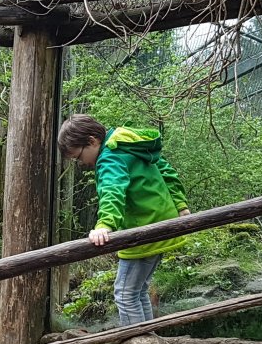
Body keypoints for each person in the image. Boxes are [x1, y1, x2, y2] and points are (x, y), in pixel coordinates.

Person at [57, 115, 191, 326]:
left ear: (92, 141)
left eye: (78, 157)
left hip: (143, 229)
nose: (81, 164)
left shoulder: (110, 156)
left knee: (125, 294)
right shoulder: (129, 144)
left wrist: (104, 225)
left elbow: (113, 191)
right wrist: (180, 205)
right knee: (138, 292)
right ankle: (149, 343)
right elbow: (165, 169)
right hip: (161, 223)